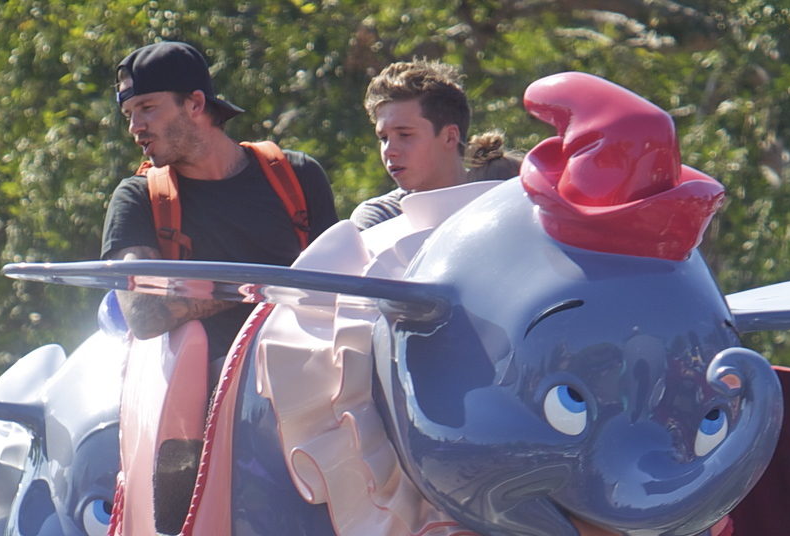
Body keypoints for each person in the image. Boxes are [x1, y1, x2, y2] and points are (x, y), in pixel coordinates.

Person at [102, 41, 338, 339]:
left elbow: (342, 281)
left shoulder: (297, 175)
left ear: (195, 104)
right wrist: (271, 284)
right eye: (129, 114)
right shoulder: (139, 200)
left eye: (147, 108)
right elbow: (144, 314)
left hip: (318, 360)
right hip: (213, 381)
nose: (134, 126)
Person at [350, 61, 522, 230]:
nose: (389, 151)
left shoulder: (508, 198)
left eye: (405, 135)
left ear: (449, 137)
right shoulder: (378, 218)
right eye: (383, 138)